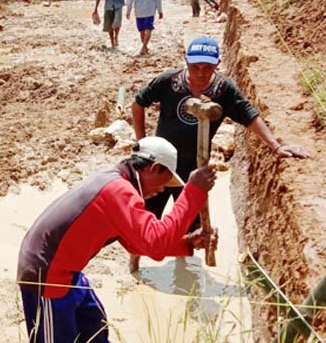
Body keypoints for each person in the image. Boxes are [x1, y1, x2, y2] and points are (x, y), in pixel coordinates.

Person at [129, 36, 310, 272]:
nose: (201, 73)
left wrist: (275, 146)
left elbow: (249, 115)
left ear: (218, 64)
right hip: (161, 167)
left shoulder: (223, 90)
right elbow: (138, 102)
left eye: (208, 68)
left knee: (190, 227)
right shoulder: (169, 82)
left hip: (194, 170)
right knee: (146, 220)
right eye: (195, 68)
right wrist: (142, 142)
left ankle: (182, 267)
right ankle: (134, 264)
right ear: (186, 62)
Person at [17, 136, 218, 343]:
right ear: (154, 167)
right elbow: (155, 244)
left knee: (94, 328)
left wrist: (187, 243)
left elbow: (137, 243)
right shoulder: (118, 190)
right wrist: (194, 191)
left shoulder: (118, 183)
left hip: (68, 270)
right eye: (165, 183)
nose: (161, 190)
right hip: (47, 274)